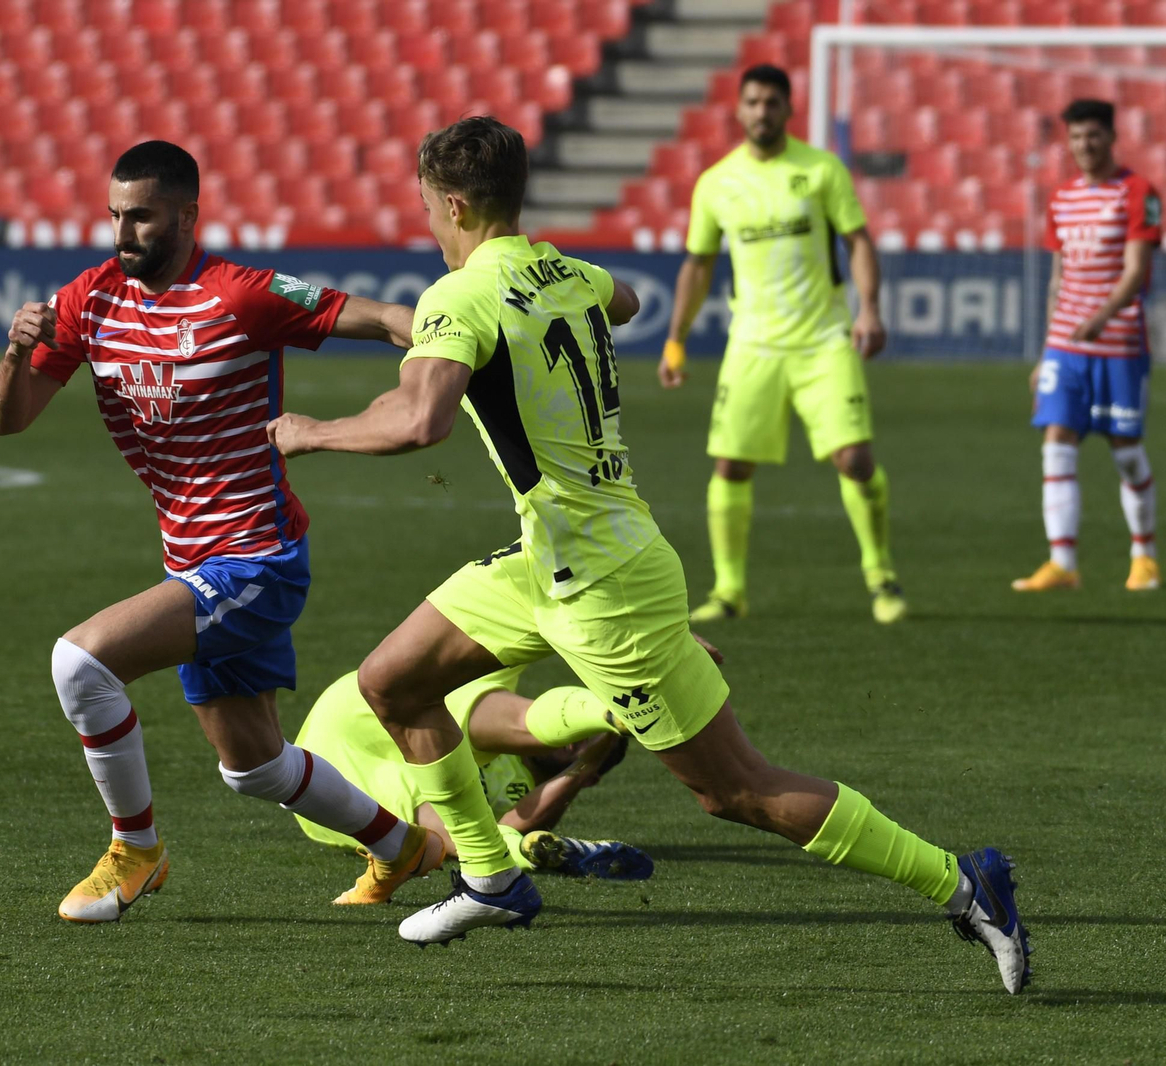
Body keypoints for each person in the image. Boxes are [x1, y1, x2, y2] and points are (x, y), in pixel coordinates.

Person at [268, 116, 1031, 996]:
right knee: (394, 682)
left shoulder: (460, 295)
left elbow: (419, 421)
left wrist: (310, 432)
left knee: (735, 791)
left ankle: (961, 883)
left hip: (602, 582)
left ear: (454, 204)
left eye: (428, 208)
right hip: (548, 553)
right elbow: (624, 301)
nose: (429, 225)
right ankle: (491, 877)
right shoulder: (570, 273)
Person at [0, 140, 441, 924]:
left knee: (80, 665)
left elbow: (387, 318)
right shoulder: (90, 301)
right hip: (190, 562)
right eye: (115, 216)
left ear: (188, 215)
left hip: (258, 561)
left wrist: (454, 343)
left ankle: (135, 851)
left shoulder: (242, 294)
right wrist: (14, 353)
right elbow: (10, 419)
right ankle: (404, 847)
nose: (123, 233)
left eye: (141, 216)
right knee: (255, 768)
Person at [660, 64, 903, 625]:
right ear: (739, 109)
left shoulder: (821, 170)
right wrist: (675, 340)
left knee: (855, 459)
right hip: (753, 345)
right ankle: (729, 591)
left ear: (789, 109)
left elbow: (858, 241)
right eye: (753, 102)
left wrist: (869, 308)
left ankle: (881, 575)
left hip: (824, 340)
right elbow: (698, 265)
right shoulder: (717, 183)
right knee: (731, 466)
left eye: (772, 102)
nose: (762, 111)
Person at [294, 664, 653, 899]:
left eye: (587, 745)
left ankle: (533, 853)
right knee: (468, 719)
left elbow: (504, 826)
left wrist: (583, 767)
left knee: (448, 830)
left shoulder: (536, 795)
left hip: (330, 781)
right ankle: (608, 711)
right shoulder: (508, 726)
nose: (574, 742)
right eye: (582, 734)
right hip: (358, 708)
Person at [1014, 98, 1161, 593]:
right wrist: (1045, 354)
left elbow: (1136, 271)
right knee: (1056, 440)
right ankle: (1063, 564)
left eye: (1093, 135)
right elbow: (1058, 280)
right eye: (1076, 136)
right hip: (1066, 348)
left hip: (1118, 346)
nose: (1085, 145)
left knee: (1126, 451)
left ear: (1112, 138)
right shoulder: (1061, 198)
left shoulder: (1139, 192)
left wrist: (1100, 318)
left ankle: (1144, 556)